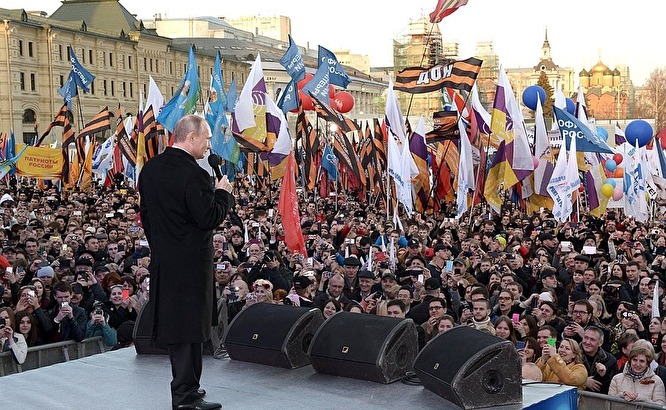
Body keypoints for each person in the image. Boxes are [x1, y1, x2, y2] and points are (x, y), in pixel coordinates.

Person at [139, 115, 234, 410]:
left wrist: (162, 247)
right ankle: (185, 396)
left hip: (165, 262)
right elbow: (208, 218)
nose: (208, 146)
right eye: (206, 138)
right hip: (191, 266)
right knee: (189, 330)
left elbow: (147, 218)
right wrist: (223, 195)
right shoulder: (193, 174)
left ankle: (189, 389)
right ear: (190, 138)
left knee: (180, 329)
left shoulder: (150, 169)